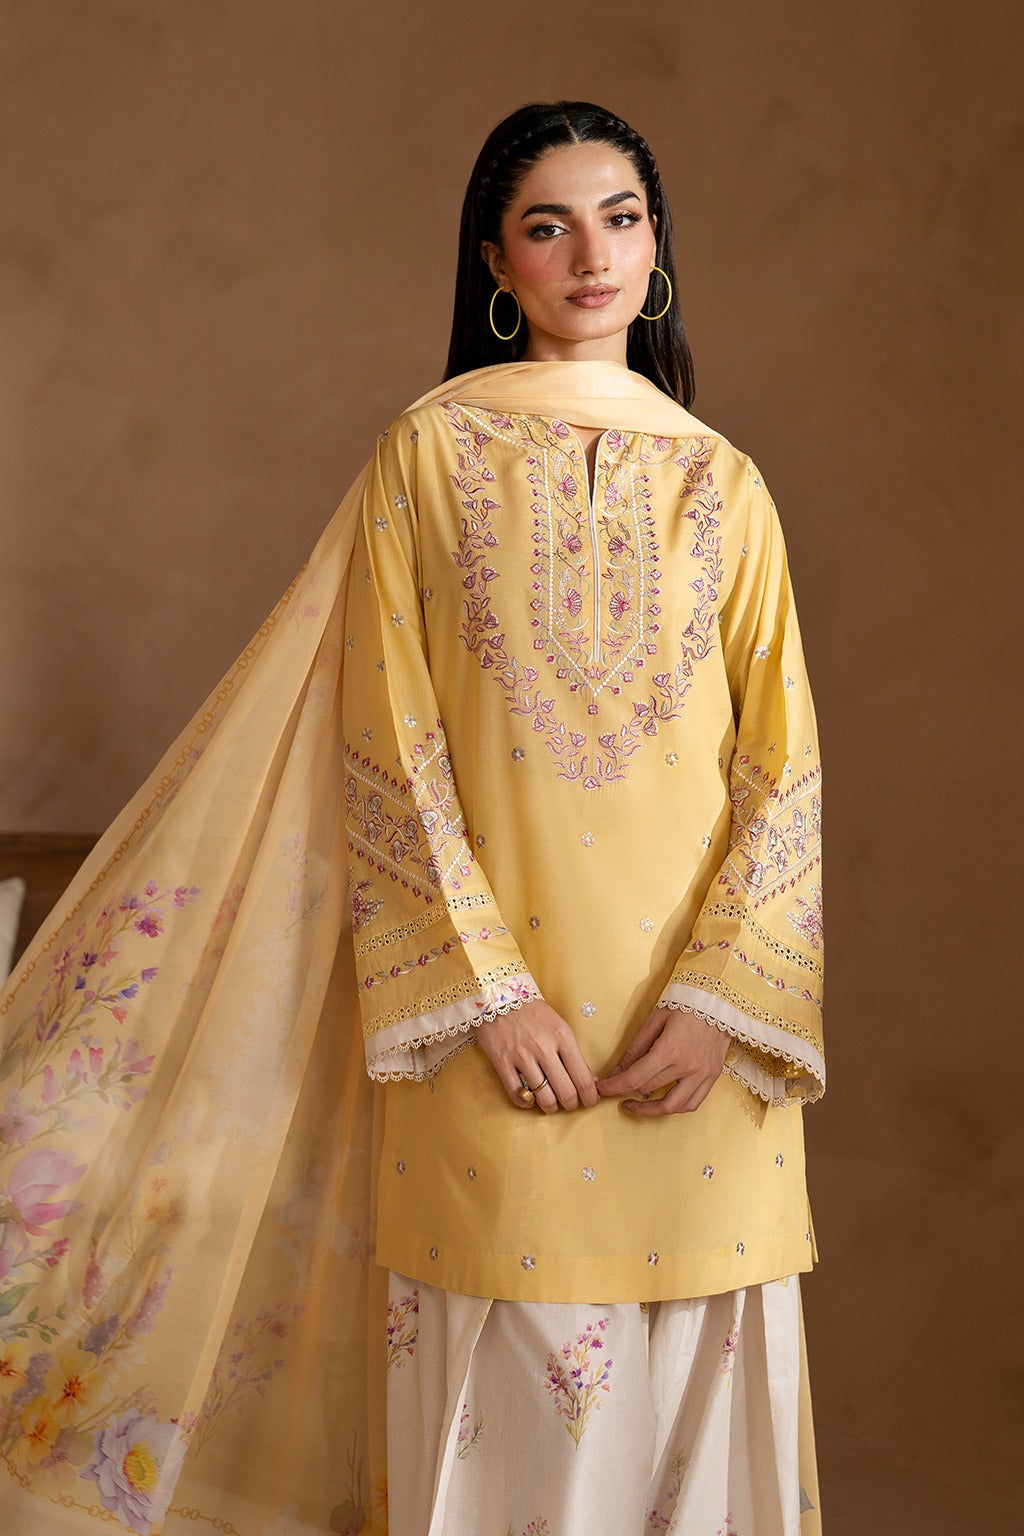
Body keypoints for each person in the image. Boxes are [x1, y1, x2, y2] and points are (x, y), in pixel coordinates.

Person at [0, 101, 824, 1536]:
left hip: (696, 1049)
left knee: (703, 1391)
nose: (593, 254)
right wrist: (487, 997)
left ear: (659, 251)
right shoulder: (427, 459)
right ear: (495, 263)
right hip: (489, 1031)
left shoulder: (724, 484)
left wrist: (720, 1002)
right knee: (507, 1408)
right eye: (550, 224)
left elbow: (784, 773)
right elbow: (388, 747)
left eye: (622, 217)